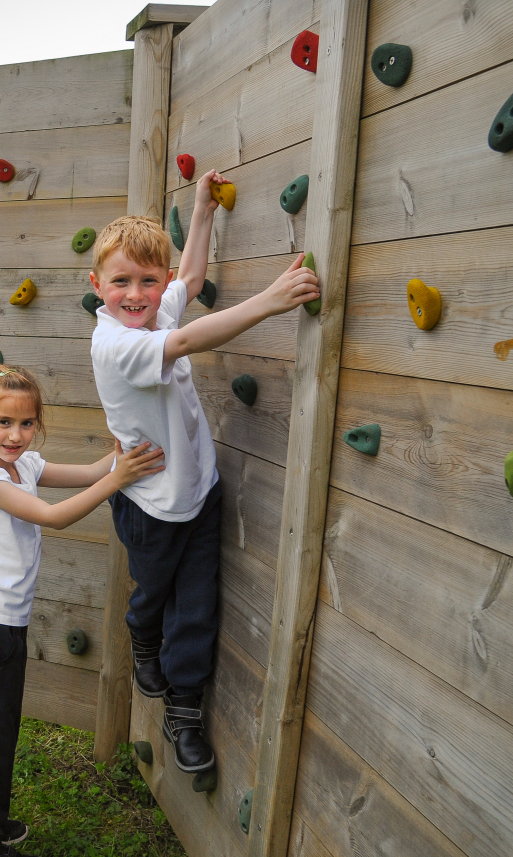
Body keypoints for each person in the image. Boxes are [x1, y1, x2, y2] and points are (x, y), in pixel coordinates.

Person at [88, 175, 318, 774]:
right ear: (97, 288)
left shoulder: (152, 306)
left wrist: (201, 212)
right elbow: (187, 338)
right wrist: (269, 300)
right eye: (121, 282)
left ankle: (184, 710)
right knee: (156, 591)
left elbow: (188, 282)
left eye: (147, 281)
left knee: (196, 606)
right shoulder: (116, 344)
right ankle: (141, 632)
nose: (137, 294)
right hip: (149, 503)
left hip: (198, 488)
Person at [0, 361, 163, 857]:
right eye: (3, 423)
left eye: (26, 424)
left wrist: (120, 451)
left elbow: (89, 474)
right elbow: (54, 516)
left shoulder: (25, 465)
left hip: (2, 625)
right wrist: (120, 480)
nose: (15, 435)